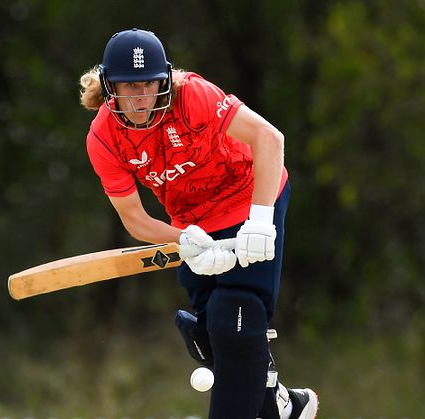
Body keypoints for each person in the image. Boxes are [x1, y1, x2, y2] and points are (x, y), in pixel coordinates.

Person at [78, 28, 318, 419]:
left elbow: (269, 139)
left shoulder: (191, 95)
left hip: (252, 195)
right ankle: (282, 404)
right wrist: (186, 239)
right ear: (109, 87)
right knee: (208, 333)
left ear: (164, 81)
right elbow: (135, 218)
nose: (139, 98)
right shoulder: (104, 138)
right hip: (193, 221)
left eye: (148, 85)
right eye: (128, 86)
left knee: (235, 315)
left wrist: (260, 221)